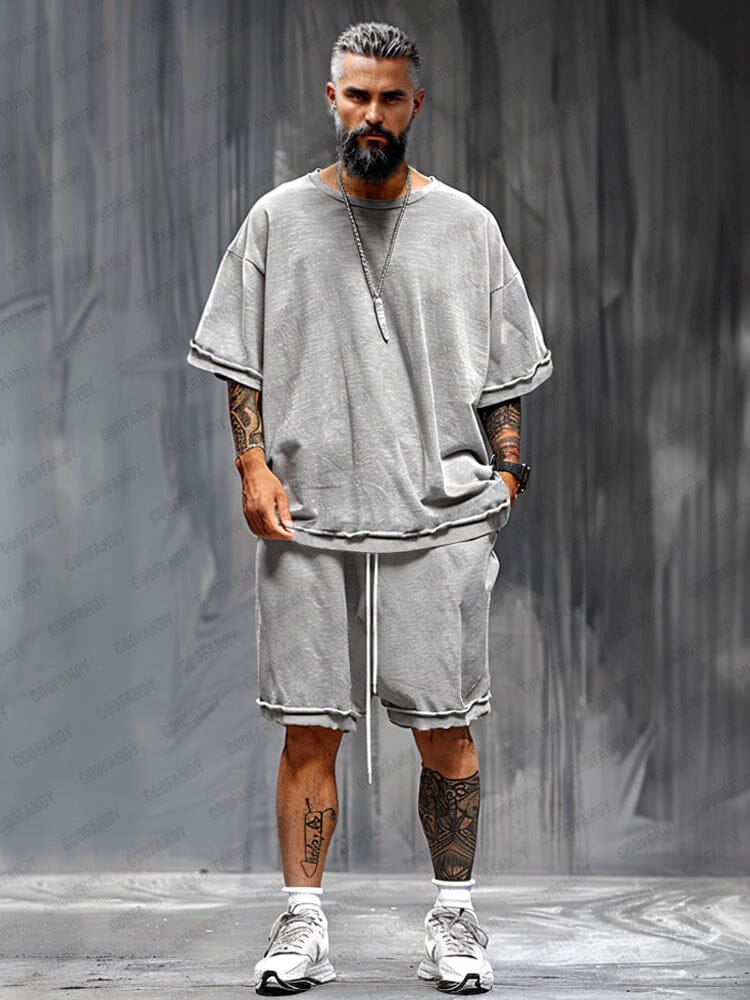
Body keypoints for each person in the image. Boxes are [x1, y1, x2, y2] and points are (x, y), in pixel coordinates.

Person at [186, 20, 553, 996]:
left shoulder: (468, 227)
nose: (373, 114)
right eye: (357, 95)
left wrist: (507, 476)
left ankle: (455, 921)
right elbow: (239, 359)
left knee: (447, 725)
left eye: (391, 97)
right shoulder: (277, 220)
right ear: (332, 98)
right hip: (305, 514)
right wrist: (252, 464)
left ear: (415, 104)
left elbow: (504, 371)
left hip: (438, 517)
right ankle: (304, 925)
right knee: (308, 726)